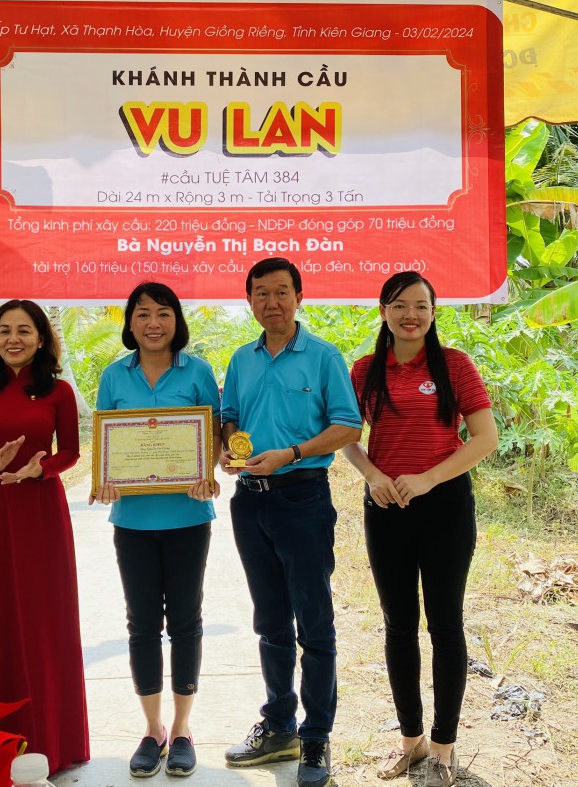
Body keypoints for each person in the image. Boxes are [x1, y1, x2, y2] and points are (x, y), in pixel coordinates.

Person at [343, 272, 497, 787]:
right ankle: (411, 742)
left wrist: (429, 478)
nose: (411, 315)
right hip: (386, 507)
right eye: (400, 305)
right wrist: (373, 476)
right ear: (383, 310)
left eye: (421, 306)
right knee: (398, 625)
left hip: (445, 507)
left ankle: (444, 747)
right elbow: (347, 436)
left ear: (433, 313)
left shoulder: (454, 365)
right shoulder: (364, 370)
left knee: (446, 623)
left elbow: (485, 438)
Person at [219, 257, 363, 787]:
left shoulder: (324, 357)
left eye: (281, 292)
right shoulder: (242, 358)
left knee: (314, 623)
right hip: (249, 502)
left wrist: (292, 453)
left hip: (303, 499)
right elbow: (230, 416)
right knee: (270, 621)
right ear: (249, 301)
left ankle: (316, 735)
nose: (272, 302)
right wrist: (230, 448)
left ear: (299, 298)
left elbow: (348, 426)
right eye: (261, 293)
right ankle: (279, 724)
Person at [0, 300, 89, 774]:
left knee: (43, 616)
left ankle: (52, 738)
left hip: (41, 510)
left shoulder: (58, 392)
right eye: (5, 330)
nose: (13, 338)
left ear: (41, 338)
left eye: (24, 330)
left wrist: (39, 469)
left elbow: (70, 451)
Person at [91, 282, 222, 779]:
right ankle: (152, 730)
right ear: (130, 322)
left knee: (186, 622)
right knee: (142, 624)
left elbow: (214, 432)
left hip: (189, 519)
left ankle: (183, 729)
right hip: (133, 522)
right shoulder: (114, 376)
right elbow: (107, 441)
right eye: (142, 313)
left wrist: (207, 470)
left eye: (163, 313)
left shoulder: (198, 371)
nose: (153, 323)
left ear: (176, 320)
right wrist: (107, 482)